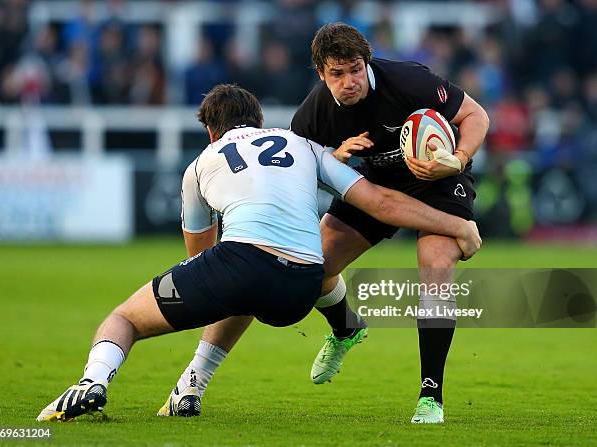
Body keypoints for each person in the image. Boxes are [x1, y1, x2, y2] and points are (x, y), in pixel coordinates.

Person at [36, 84, 481, 422]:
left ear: (211, 130)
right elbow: (382, 204)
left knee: (127, 318)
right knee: (259, 275)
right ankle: (191, 388)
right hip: (304, 285)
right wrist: (458, 225)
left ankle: (92, 383)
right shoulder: (304, 146)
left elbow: (201, 256)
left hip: (243, 265)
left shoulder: (200, 165)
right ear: (260, 118)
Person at [168, 23, 490, 424]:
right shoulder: (314, 115)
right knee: (310, 266)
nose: (349, 82)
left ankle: (431, 397)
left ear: (366, 62)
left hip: (440, 181)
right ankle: (345, 329)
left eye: (355, 69)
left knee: (436, 265)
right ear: (320, 73)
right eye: (336, 74)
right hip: (371, 185)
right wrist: (335, 158)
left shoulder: (408, 80)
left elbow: (475, 115)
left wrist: (457, 158)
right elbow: (296, 174)